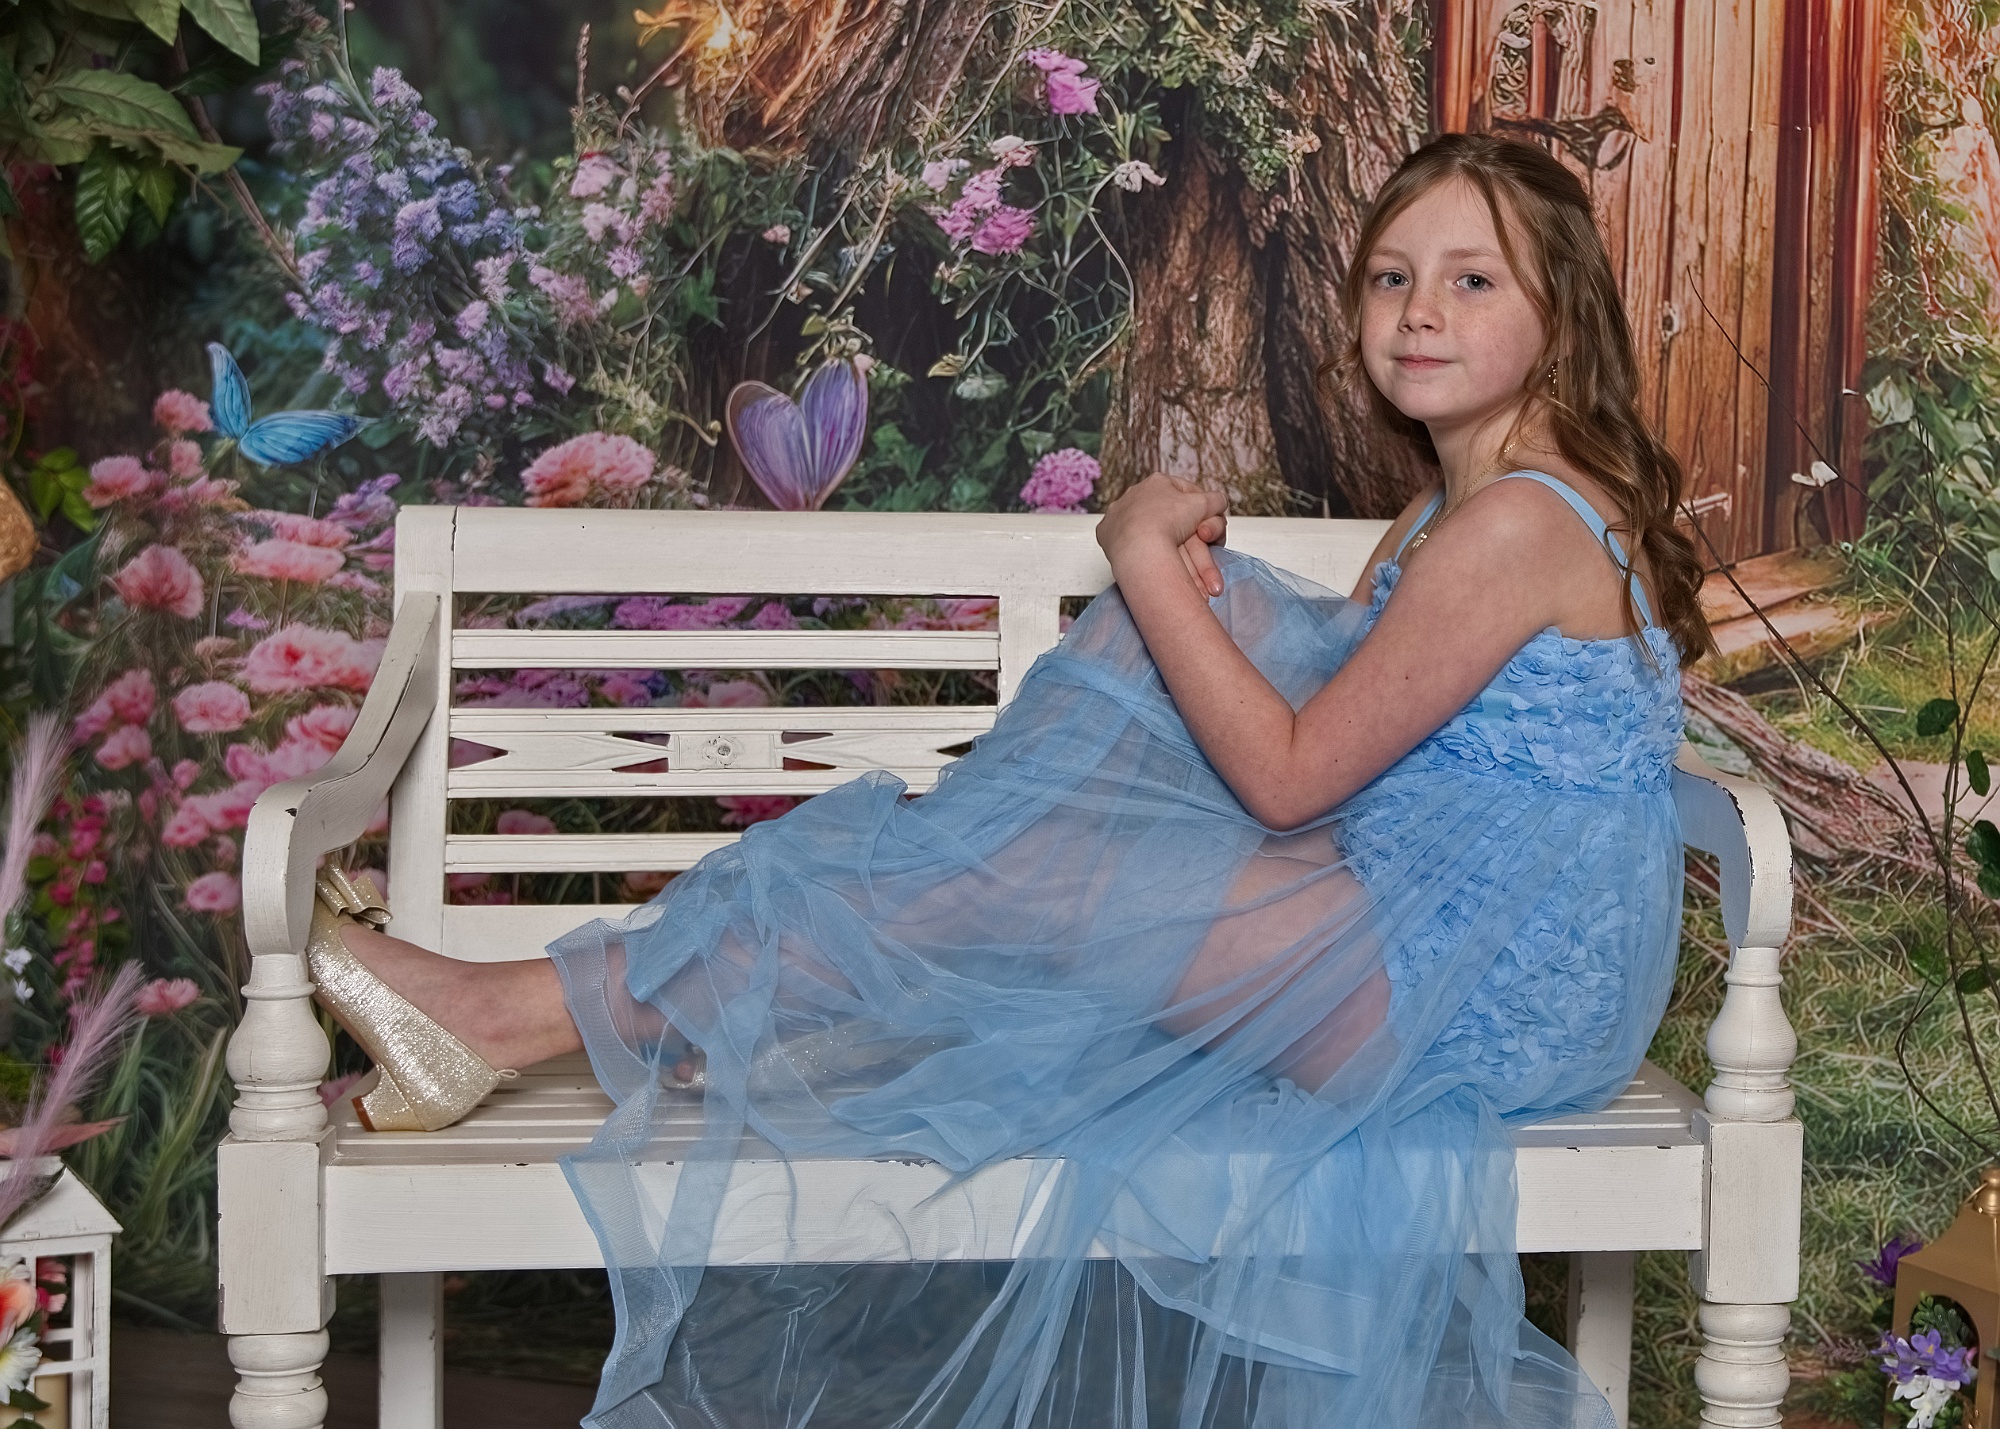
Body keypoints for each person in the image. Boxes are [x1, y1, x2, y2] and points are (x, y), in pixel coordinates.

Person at [302, 132, 1713, 1429]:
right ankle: (690, 994)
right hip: (1433, 920)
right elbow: (1332, 725)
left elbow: (1290, 780)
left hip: (1479, 985)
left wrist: (1144, 557)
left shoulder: (1516, 523)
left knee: (1015, 862)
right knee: (1031, 846)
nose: (1419, 312)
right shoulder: (1461, 504)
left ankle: (526, 1009)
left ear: (1561, 316)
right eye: (1393, 277)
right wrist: (1190, 614)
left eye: (1473, 281)